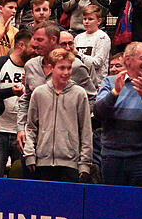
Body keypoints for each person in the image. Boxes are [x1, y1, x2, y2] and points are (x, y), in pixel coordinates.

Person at [16, 21, 97, 154]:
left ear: (53, 40)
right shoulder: (30, 65)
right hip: (35, 140)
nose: (34, 44)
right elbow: (26, 99)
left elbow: (91, 98)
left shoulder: (74, 66)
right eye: (34, 39)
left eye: (39, 40)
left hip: (65, 145)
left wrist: (71, 125)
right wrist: (20, 128)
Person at [93, 42, 142, 186]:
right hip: (113, 157)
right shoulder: (109, 82)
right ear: (128, 60)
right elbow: (98, 113)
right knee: (113, 203)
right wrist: (114, 93)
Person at [24, 48, 92, 182]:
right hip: (42, 162)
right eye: (61, 68)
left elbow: (86, 131)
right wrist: (30, 154)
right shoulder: (39, 93)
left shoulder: (79, 94)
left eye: (69, 68)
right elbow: (31, 127)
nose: (66, 72)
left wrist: (84, 163)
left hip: (70, 163)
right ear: (51, 68)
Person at [0, 30, 31, 176]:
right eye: (31, 47)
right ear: (21, 45)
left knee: (21, 179)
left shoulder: (34, 68)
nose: (35, 51)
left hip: (23, 131)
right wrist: (10, 91)